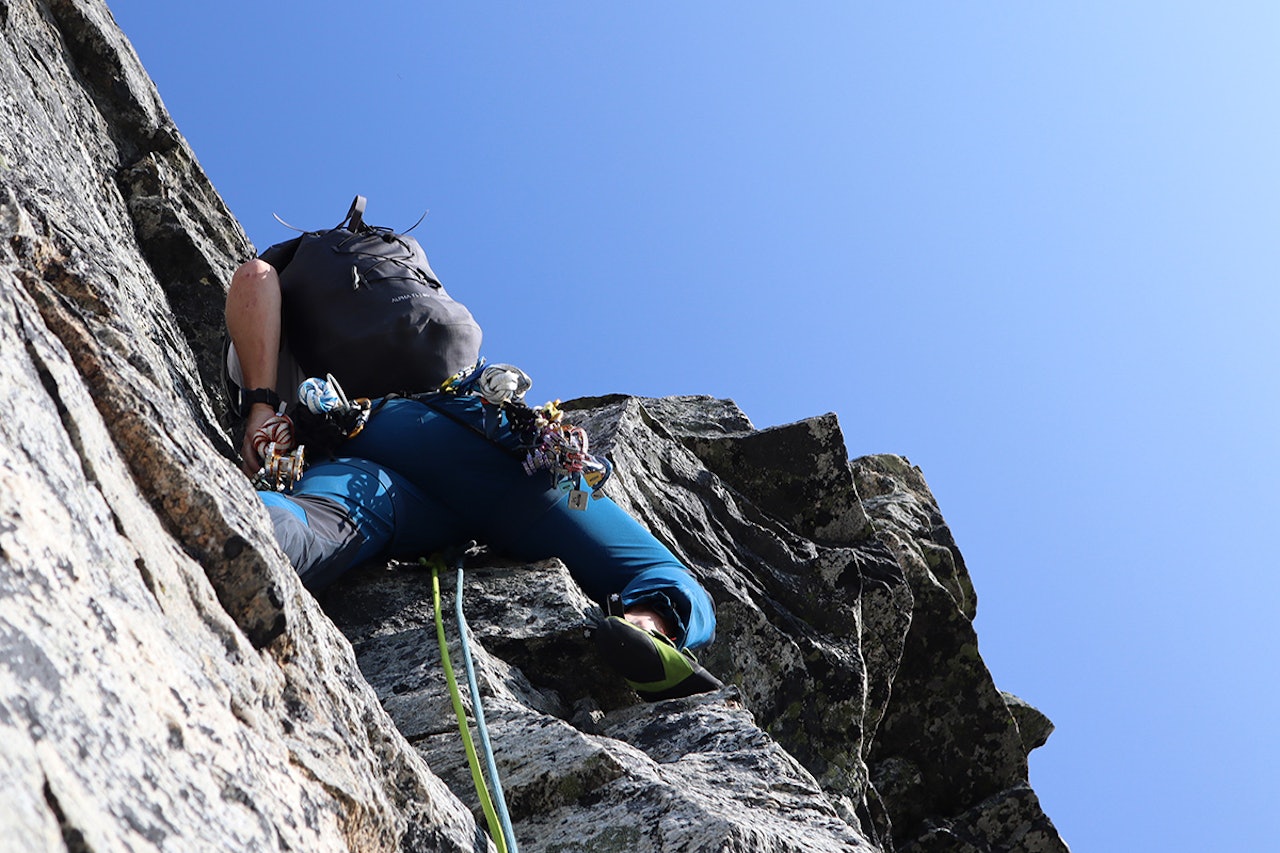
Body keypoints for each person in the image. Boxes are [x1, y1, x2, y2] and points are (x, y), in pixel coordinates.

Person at [225, 252, 722, 700]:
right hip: (484, 434)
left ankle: (246, 526)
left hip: (365, 447)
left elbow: (254, 274)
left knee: (320, 519)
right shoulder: (411, 282)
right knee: (665, 574)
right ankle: (649, 625)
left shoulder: (289, 295)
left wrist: (259, 407)